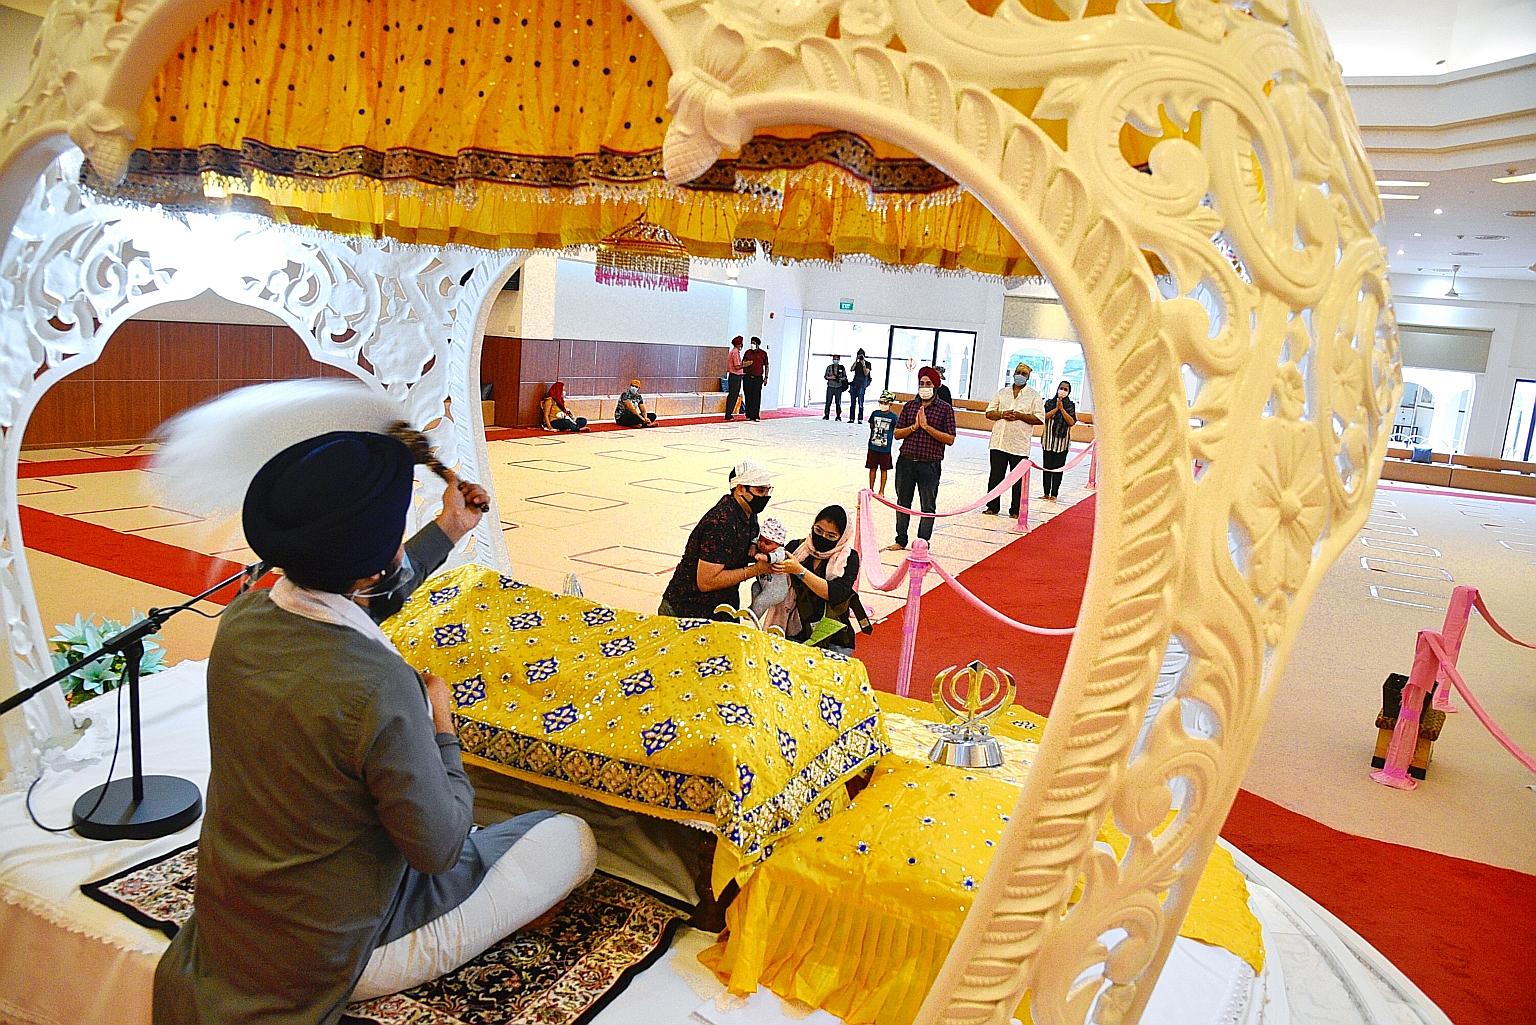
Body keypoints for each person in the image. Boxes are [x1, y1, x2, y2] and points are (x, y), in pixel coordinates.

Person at [153, 432, 596, 1025]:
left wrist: (449, 530)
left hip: (234, 930)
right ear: (369, 565)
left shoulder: (243, 620)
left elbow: (352, 598)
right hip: (334, 952)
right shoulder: (378, 683)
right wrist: (442, 730)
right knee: (569, 836)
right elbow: (439, 847)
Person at [659, 460, 788, 619]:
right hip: (687, 610)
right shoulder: (721, 523)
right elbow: (706, 581)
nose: (765, 496)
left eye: (768, 490)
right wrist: (756, 570)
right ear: (740, 489)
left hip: (720, 608)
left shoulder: (748, 513)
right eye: (760, 490)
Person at [757, 505, 862, 655]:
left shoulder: (848, 559)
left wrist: (800, 571)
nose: (823, 537)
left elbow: (835, 594)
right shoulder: (796, 548)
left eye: (831, 536)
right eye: (818, 530)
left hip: (832, 638)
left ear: (842, 537)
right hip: (792, 634)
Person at [886, 367, 956, 551]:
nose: (924, 387)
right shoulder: (910, 407)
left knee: (928, 505)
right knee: (903, 501)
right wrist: (914, 427)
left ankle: (922, 542)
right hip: (906, 461)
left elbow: (950, 439)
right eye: (921, 383)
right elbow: (897, 434)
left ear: (936, 386)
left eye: (928, 384)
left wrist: (926, 427)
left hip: (930, 464)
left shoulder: (945, 409)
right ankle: (901, 539)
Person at [983, 362, 1044, 517]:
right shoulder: (1002, 392)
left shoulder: (1034, 396)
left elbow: (1039, 418)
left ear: (1028, 377)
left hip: (1019, 444)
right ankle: (992, 506)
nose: (1020, 376)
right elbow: (989, 413)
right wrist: (1003, 414)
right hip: (999, 442)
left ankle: (1015, 510)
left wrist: (1020, 416)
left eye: (1024, 374)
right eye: (1018, 372)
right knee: (995, 476)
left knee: (1017, 480)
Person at [747, 517, 790, 622]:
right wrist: (753, 546)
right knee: (755, 587)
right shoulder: (761, 545)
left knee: (761, 601)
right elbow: (755, 539)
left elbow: (778, 556)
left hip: (777, 591)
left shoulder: (779, 551)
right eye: (761, 540)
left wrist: (766, 558)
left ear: (778, 544)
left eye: (767, 543)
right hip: (763, 585)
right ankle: (754, 608)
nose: (761, 544)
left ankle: (754, 616)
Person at [1041, 379, 1078, 500]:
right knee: (1046, 467)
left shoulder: (1070, 405)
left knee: (1058, 468)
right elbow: (1043, 417)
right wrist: (1056, 408)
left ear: (1069, 392)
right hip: (1048, 441)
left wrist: (1062, 409)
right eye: (1061, 388)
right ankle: (1046, 492)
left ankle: (1054, 494)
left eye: (1065, 389)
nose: (1062, 391)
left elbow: (1071, 422)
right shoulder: (1049, 402)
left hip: (1061, 443)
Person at [865, 390, 899, 495]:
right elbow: (871, 425)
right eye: (881, 402)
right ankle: (871, 488)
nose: (883, 405)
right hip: (873, 446)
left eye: (885, 403)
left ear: (890, 404)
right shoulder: (875, 413)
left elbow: (896, 429)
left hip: (885, 448)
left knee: (884, 469)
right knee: (872, 468)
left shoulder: (893, 417)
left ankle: (881, 490)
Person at [742, 336, 769, 421]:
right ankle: (748, 415)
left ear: (757, 344)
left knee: (756, 397)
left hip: (758, 378)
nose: (752, 344)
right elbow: (742, 363)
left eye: (754, 343)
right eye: (751, 343)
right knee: (748, 396)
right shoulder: (747, 352)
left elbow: (766, 365)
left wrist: (766, 377)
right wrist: (747, 363)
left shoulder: (763, 353)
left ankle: (756, 415)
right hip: (747, 377)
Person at [848, 349, 874, 423]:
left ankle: (860, 419)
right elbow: (851, 369)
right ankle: (851, 418)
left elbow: (866, 373)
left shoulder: (868, 363)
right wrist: (856, 361)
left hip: (862, 385)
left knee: (860, 403)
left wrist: (863, 364)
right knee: (852, 403)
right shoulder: (856, 363)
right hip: (854, 384)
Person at [724, 335, 745, 422]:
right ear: (739, 344)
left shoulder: (732, 351)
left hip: (733, 376)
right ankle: (728, 414)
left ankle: (728, 413)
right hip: (735, 376)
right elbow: (737, 366)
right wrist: (745, 365)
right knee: (733, 395)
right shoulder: (735, 352)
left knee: (731, 395)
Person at [822, 354, 849, 420]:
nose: (835, 360)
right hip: (830, 387)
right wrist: (831, 377)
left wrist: (839, 378)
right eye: (834, 359)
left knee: (838, 403)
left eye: (837, 359)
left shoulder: (842, 368)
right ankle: (826, 415)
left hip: (838, 387)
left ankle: (838, 416)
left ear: (839, 360)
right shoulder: (829, 367)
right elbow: (825, 376)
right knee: (828, 402)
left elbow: (845, 377)